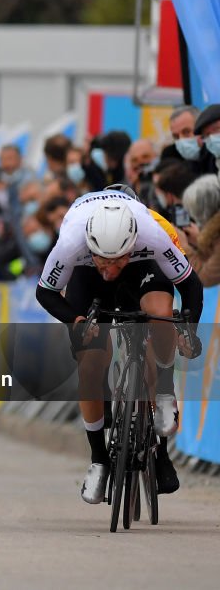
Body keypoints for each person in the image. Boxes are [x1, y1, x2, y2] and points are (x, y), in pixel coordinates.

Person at [35, 189, 203, 504]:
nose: (110, 268)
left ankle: (164, 390)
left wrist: (188, 331)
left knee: (160, 314)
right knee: (91, 360)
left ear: (132, 243)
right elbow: (45, 292)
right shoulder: (71, 242)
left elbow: (190, 283)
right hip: (88, 276)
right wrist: (77, 320)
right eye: (104, 259)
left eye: (117, 259)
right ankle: (99, 459)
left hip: (143, 267)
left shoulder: (153, 232)